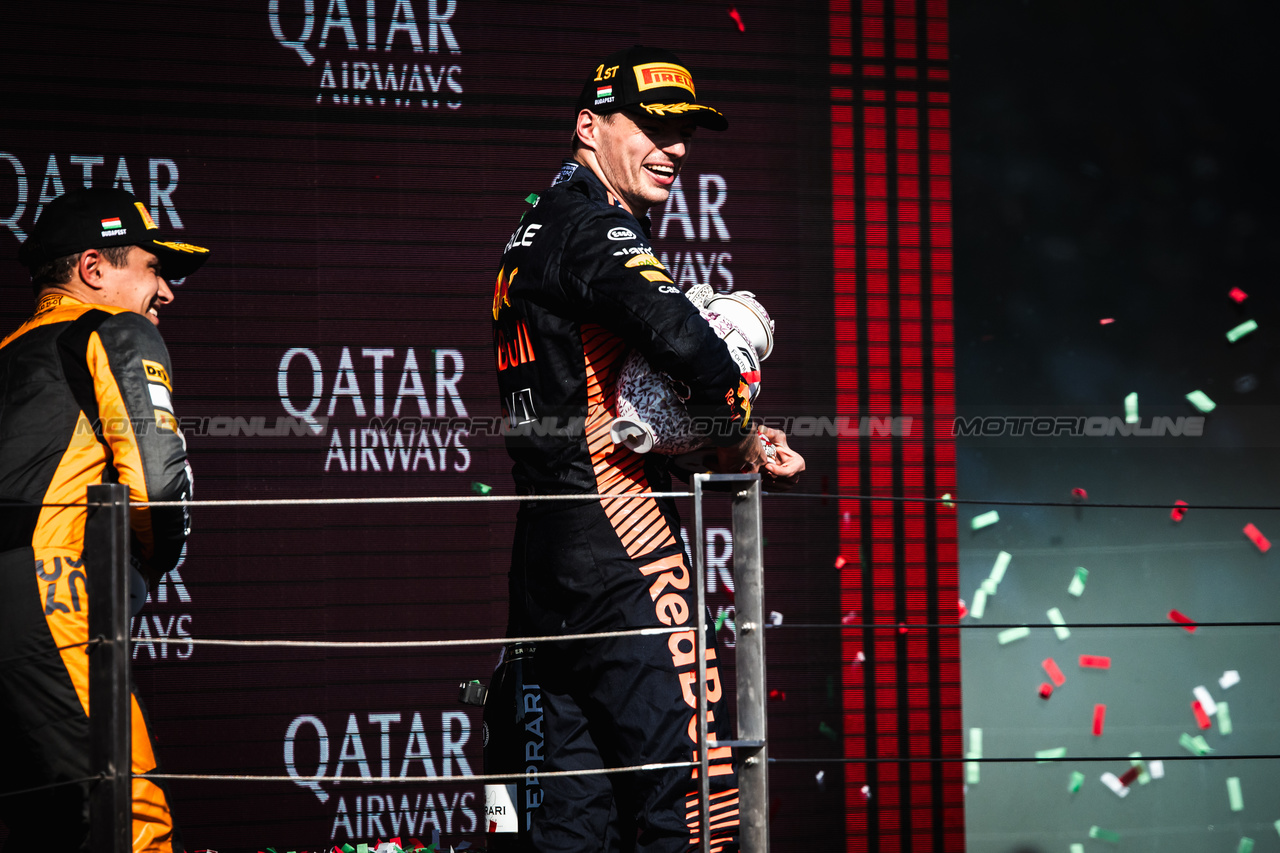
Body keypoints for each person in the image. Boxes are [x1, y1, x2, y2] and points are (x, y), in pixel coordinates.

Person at [490, 45, 803, 852]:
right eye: (654, 126)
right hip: (620, 538)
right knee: (694, 805)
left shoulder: (538, 219)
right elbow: (689, 345)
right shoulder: (596, 227)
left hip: (546, 554)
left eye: (685, 132)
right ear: (589, 127)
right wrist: (736, 428)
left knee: (570, 818)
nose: (676, 147)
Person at [0, 187, 208, 852]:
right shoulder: (115, 330)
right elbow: (153, 486)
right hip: (49, 598)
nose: (166, 292)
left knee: (44, 829)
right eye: (152, 268)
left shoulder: (7, 353)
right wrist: (150, 559)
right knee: (128, 818)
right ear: (94, 269)